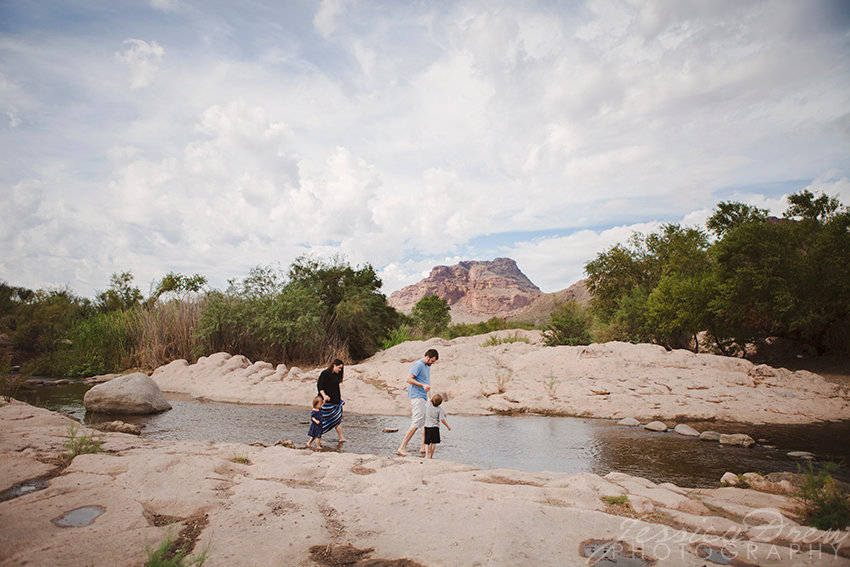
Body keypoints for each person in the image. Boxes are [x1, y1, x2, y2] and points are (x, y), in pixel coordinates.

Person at [397, 348, 439, 457]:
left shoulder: (427, 366)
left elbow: (426, 382)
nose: (432, 363)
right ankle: (402, 447)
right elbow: (408, 379)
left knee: (426, 422)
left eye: (434, 362)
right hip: (417, 397)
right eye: (432, 361)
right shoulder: (418, 365)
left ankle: (423, 447)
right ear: (427, 357)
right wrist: (422, 385)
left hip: (424, 397)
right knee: (416, 422)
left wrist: (428, 396)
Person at [317, 358, 346, 442]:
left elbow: (334, 388)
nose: (340, 370)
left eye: (341, 368)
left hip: (336, 403)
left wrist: (340, 399)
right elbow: (320, 386)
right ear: (334, 365)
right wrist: (324, 396)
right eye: (339, 368)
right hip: (326, 402)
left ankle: (341, 438)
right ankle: (314, 439)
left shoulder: (336, 375)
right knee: (321, 421)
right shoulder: (325, 373)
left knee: (338, 420)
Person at [424, 393, 451, 459]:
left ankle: (426, 455)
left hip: (427, 426)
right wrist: (447, 426)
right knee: (433, 443)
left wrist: (428, 390)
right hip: (435, 428)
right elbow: (442, 419)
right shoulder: (439, 409)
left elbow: (428, 396)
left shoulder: (428, 405)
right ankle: (431, 456)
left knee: (427, 442)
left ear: (431, 400)